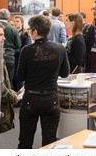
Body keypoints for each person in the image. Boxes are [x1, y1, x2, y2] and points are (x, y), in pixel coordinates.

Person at [17, 15, 70, 148]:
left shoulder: (27, 50)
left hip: (31, 98)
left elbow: (20, 76)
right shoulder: (60, 48)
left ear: (35, 32)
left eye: (30, 30)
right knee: (50, 139)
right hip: (51, 97)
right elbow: (65, 74)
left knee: (25, 138)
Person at [0, 8, 21, 88]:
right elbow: (18, 45)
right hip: (9, 58)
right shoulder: (13, 29)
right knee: (8, 81)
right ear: (8, 17)